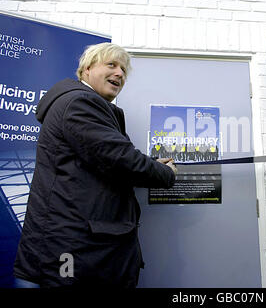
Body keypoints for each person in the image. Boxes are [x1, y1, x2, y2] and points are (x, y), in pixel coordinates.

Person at [14, 42, 177, 288]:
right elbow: (121, 160)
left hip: (79, 246)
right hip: (74, 249)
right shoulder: (81, 103)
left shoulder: (84, 104)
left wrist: (150, 164)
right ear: (87, 69)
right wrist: (165, 173)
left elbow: (107, 159)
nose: (120, 73)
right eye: (111, 64)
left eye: (123, 69)